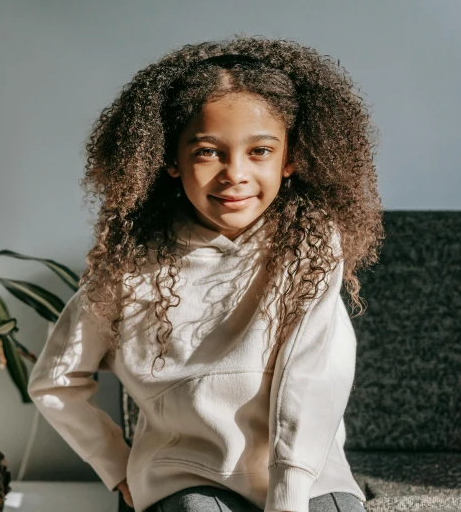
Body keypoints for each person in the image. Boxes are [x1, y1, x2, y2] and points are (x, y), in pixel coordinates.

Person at [27, 35, 384, 512]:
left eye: (259, 151)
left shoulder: (313, 249)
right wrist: (117, 467)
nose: (234, 173)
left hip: (309, 478)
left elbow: (313, 380)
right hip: (186, 479)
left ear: (291, 158)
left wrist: (289, 497)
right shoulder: (129, 266)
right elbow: (54, 382)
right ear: (170, 159)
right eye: (208, 151)